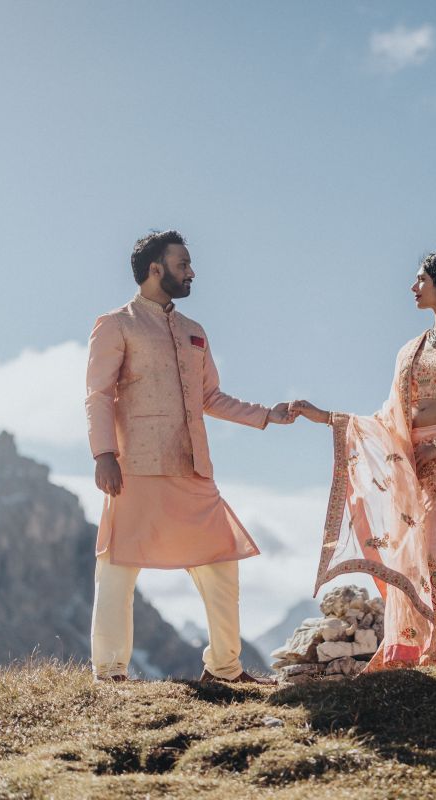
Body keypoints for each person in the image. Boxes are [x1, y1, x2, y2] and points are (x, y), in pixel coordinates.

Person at [290, 253, 436, 691]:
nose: (412, 286)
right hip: (413, 465)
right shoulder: (410, 349)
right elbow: (387, 420)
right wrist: (325, 417)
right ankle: (428, 655)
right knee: (423, 559)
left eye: (420, 279)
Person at [84, 230, 294, 684]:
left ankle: (223, 669)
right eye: (183, 264)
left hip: (193, 467)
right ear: (155, 269)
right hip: (134, 465)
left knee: (221, 562)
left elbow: (210, 397)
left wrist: (267, 416)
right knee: (118, 567)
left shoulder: (195, 331)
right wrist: (104, 454)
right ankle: (110, 672)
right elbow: (99, 395)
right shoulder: (116, 324)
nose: (192, 272)